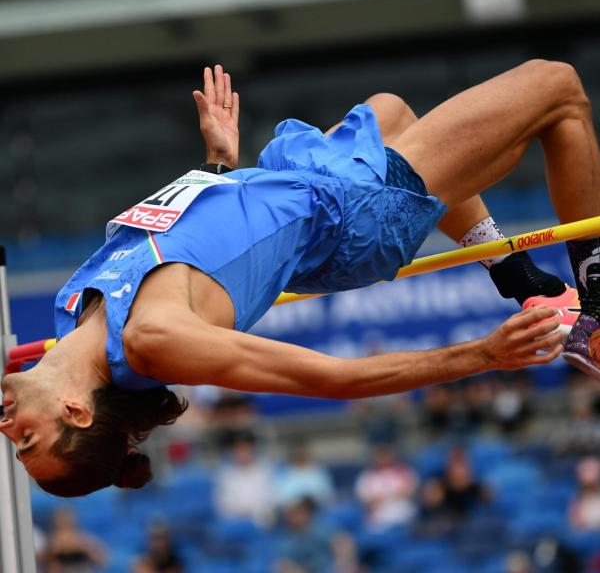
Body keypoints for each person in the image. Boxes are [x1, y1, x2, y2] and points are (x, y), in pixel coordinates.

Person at [0, 60, 596, 497]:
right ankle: (594, 303)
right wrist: (483, 355)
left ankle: (519, 275)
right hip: (352, 216)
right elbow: (338, 379)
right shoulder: (154, 341)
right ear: (77, 412)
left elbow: (196, 254)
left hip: (297, 183)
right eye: (26, 440)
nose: (8, 429)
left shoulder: (72, 307)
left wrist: (217, 165)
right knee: (559, 89)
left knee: (391, 108)